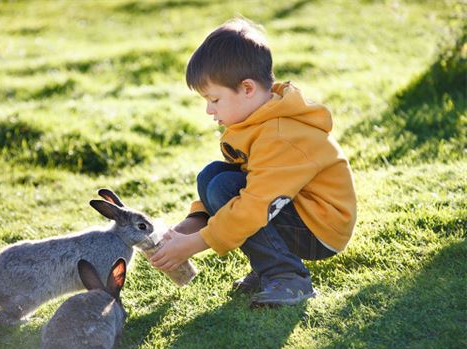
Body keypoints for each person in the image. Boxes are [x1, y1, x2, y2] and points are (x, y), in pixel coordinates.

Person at [149, 18, 357, 307]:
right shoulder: (257, 120)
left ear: (247, 88)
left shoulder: (280, 135)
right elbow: (245, 180)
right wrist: (191, 225)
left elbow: (254, 204)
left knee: (225, 186)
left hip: (321, 227)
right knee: (212, 176)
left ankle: (288, 278)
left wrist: (198, 243)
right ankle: (267, 269)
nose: (209, 110)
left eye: (215, 99)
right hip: (296, 209)